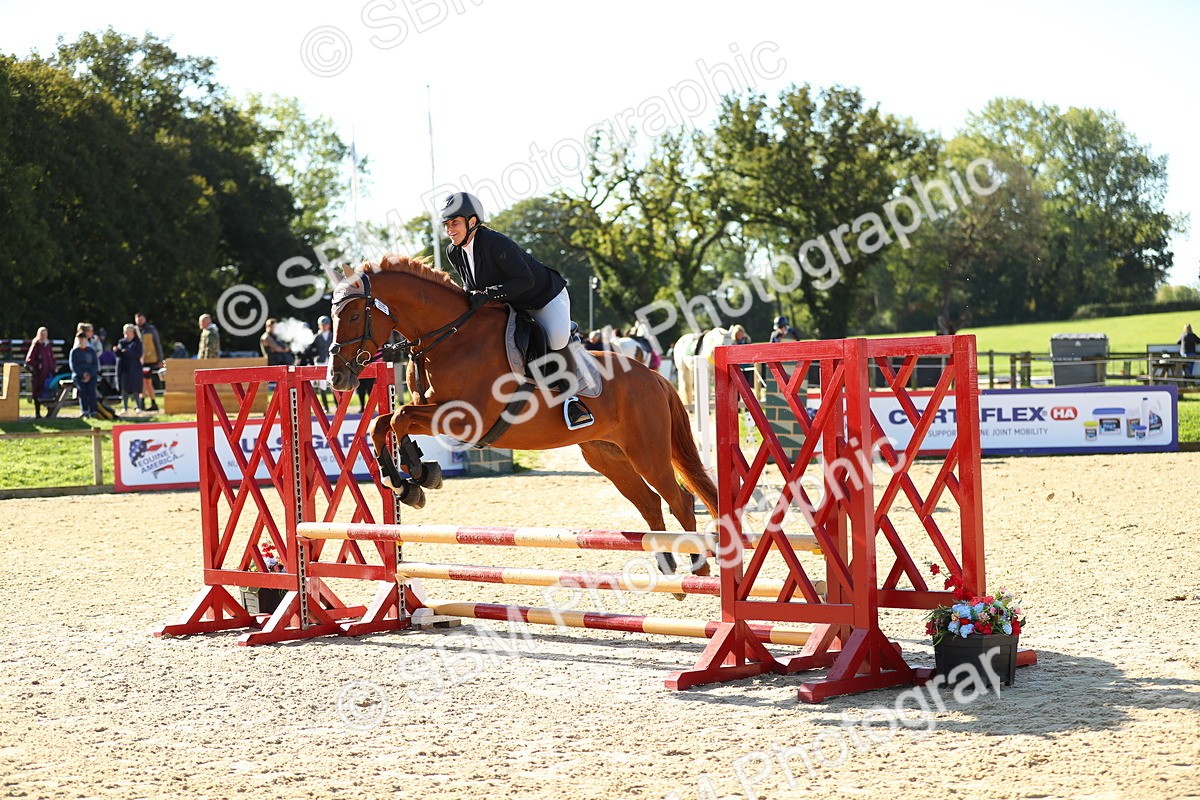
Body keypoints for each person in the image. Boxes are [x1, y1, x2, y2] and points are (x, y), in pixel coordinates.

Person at [440, 191, 593, 430]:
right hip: (512, 304)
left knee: (555, 337)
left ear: (472, 222)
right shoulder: (454, 252)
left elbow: (525, 280)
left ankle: (572, 400)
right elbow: (470, 286)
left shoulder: (495, 243)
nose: (450, 229)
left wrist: (488, 294)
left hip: (543, 297)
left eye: (455, 222)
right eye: (447, 224)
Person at [24, 327, 57, 419]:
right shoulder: (36, 345)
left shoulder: (48, 345)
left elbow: (52, 358)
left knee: (50, 391)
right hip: (39, 374)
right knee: (37, 393)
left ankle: (49, 412)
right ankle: (37, 413)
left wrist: (53, 367)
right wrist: (38, 365)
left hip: (48, 373)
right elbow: (29, 359)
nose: (43, 336)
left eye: (45, 334)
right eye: (41, 334)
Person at [305, 315, 334, 411]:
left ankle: (338, 406)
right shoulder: (316, 337)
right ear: (319, 326)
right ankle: (326, 407)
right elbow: (310, 350)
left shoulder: (333, 335)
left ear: (329, 325)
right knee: (322, 385)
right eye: (322, 324)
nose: (324, 326)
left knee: (334, 384)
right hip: (320, 361)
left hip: (330, 361)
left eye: (326, 324)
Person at [135, 312, 163, 412]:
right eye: (138, 319)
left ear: (145, 319)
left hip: (149, 360)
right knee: (142, 382)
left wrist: (160, 359)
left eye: (141, 318)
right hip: (138, 360)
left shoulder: (151, 329)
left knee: (147, 381)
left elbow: (157, 344)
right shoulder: (135, 331)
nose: (139, 321)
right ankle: (142, 402)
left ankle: (150, 402)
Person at [113, 324, 144, 411]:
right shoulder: (122, 342)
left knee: (135, 388)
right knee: (124, 388)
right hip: (123, 368)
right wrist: (116, 351)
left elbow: (138, 354)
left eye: (127, 332)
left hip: (134, 368)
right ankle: (124, 407)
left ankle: (138, 406)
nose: (125, 333)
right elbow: (119, 355)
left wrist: (127, 352)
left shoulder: (137, 342)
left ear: (132, 332)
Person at [69, 332, 99, 418]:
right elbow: (73, 366)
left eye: (83, 339)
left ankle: (93, 411)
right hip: (79, 375)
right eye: (80, 339)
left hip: (91, 375)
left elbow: (95, 365)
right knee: (82, 390)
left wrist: (90, 374)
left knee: (91, 390)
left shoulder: (91, 351)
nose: (81, 341)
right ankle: (84, 410)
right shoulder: (74, 352)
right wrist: (82, 375)